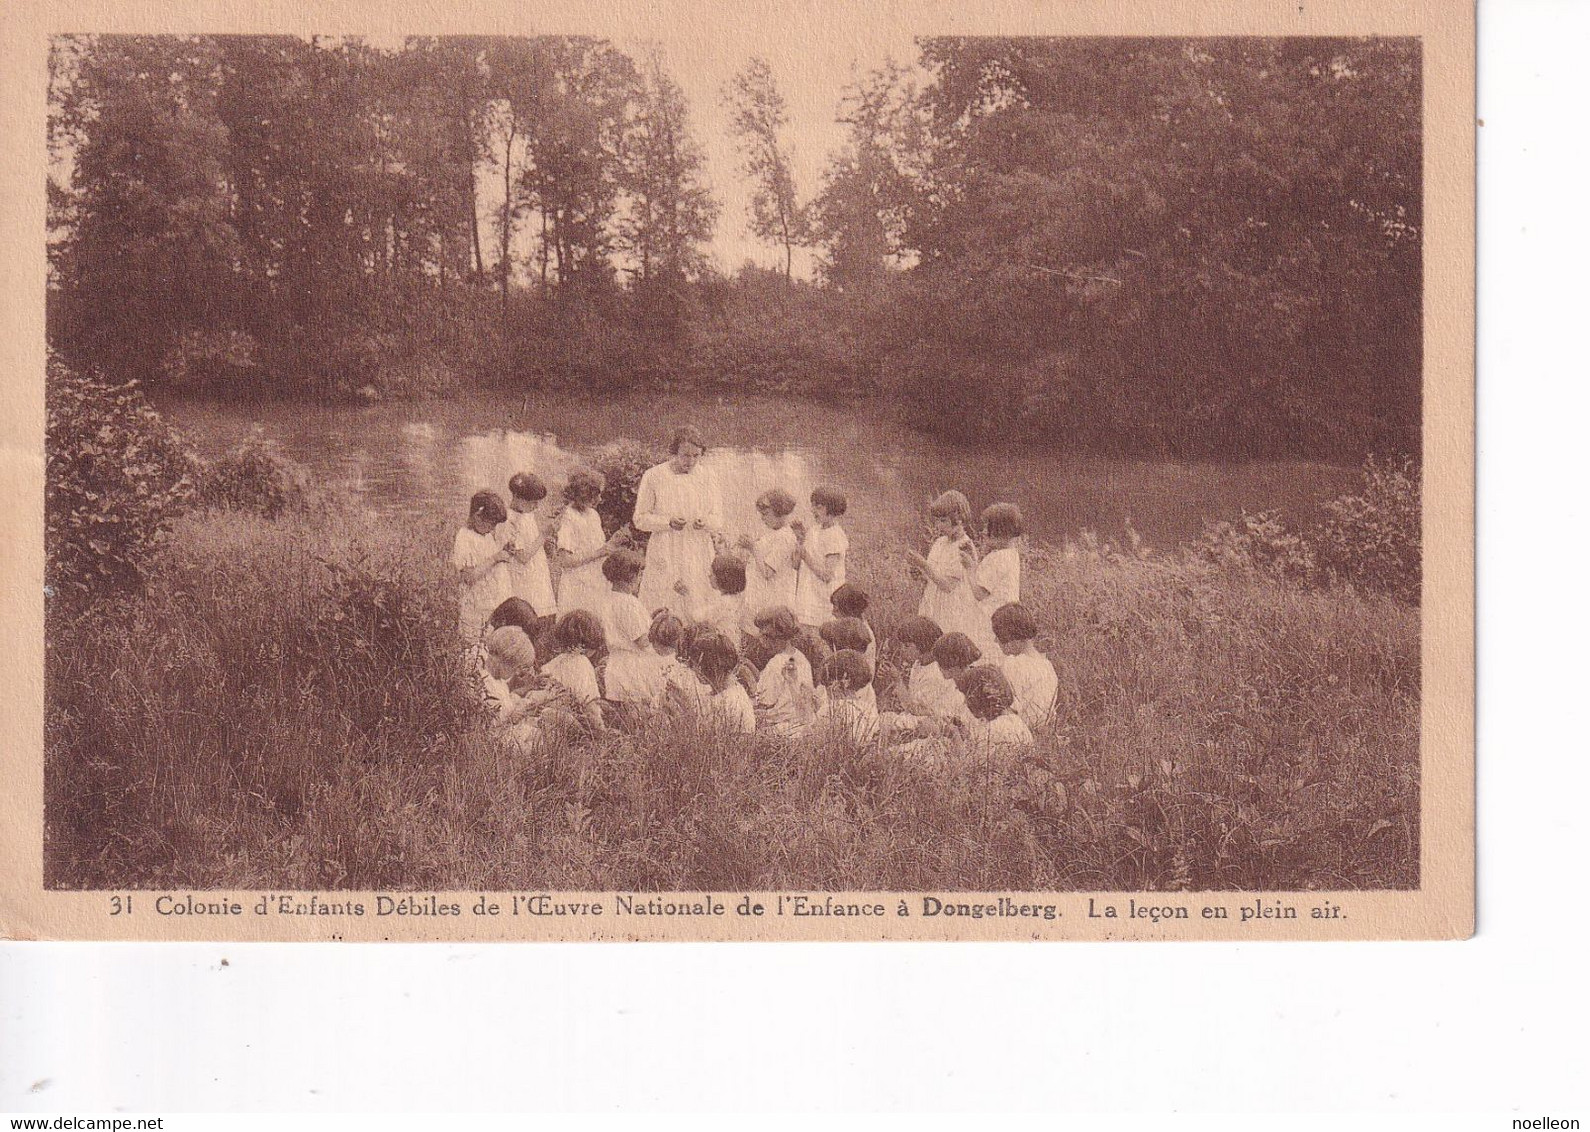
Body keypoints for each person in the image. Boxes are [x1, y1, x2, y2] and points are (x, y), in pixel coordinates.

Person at [634, 425, 723, 618]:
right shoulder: (654, 476)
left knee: (697, 598)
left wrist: (705, 522)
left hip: (697, 548)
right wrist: (667, 523)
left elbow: (718, 519)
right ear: (674, 452)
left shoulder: (708, 476)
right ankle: (660, 639)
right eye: (685, 455)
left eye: (696, 455)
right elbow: (640, 519)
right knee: (664, 597)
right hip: (666, 547)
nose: (690, 461)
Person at [906, 490, 984, 643]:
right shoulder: (939, 543)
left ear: (959, 520)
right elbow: (934, 578)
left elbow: (948, 585)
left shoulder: (964, 547)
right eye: (937, 521)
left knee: (944, 648)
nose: (939, 526)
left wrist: (923, 564)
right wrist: (921, 575)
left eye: (943, 521)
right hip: (933, 605)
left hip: (951, 611)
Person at [599, 550, 661, 714]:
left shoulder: (609, 599)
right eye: (639, 574)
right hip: (633, 668)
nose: (640, 579)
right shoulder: (629, 603)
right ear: (630, 577)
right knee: (639, 717)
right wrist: (658, 626)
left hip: (617, 665)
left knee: (625, 715)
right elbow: (642, 640)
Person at [556, 469, 618, 617]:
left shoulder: (593, 515)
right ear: (584, 494)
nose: (599, 499)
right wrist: (599, 553)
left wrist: (611, 545)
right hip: (577, 583)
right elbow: (565, 560)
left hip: (596, 579)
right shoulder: (568, 517)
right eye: (596, 494)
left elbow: (597, 547)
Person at [452, 490, 512, 643]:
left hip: (492, 603)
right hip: (477, 606)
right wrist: (495, 558)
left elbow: (487, 559)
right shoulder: (464, 538)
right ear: (477, 516)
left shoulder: (484, 535)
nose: (492, 529)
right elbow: (468, 577)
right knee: (475, 645)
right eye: (491, 524)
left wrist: (503, 552)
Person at [967, 502, 1024, 655]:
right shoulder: (1011, 554)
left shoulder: (997, 558)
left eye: (987, 527)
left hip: (990, 622)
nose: (984, 532)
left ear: (1001, 530)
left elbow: (980, 593)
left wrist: (970, 569)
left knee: (987, 655)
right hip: (1005, 620)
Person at [991, 602, 1059, 731]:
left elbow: (1005, 706)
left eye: (998, 636)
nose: (996, 641)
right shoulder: (1047, 665)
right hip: (1042, 730)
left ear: (1010, 637)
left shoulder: (1013, 664)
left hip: (1020, 730)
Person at [739, 487, 801, 623]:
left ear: (780, 512)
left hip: (774, 601)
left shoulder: (785, 538)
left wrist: (753, 547)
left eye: (766, 514)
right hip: (763, 598)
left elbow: (768, 572)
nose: (762, 518)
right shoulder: (773, 534)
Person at [540, 610, 606, 732]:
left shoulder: (552, 663)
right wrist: (601, 732)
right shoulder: (582, 663)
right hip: (566, 725)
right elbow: (590, 706)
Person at [753, 605, 815, 736]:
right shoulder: (800, 658)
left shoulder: (775, 664)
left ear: (773, 636)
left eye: (763, 634)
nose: (760, 639)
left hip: (779, 728)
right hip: (800, 725)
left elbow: (765, 704)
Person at [792, 486, 849, 628]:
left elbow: (827, 576)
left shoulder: (835, 536)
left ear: (832, 509)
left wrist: (805, 556)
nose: (812, 510)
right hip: (807, 596)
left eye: (818, 507)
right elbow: (812, 552)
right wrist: (801, 537)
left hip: (823, 601)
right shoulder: (814, 529)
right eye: (813, 506)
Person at [504, 472, 558, 621]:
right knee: (526, 616)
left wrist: (546, 542)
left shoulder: (527, 515)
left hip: (536, 575)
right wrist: (543, 535)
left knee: (542, 616)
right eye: (532, 502)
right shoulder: (508, 521)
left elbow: (532, 542)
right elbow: (522, 556)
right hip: (522, 578)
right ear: (518, 497)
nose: (536, 507)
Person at [686, 630, 756, 734]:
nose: (693, 668)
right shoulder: (729, 690)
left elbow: (701, 737)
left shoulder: (728, 700)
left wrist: (684, 708)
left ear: (707, 667)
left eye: (695, 664)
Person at [955, 664, 1035, 751]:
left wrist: (955, 737)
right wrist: (964, 733)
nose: (966, 702)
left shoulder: (994, 729)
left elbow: (972, 762)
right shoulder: (1015, 721)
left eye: (967, 696)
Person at [677, 554, 749, 646]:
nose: (709, 575)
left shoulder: (723, 603)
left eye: (713, 573)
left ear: (723, 577)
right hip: (734, 644)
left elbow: (694, 618)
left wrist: (685, 595)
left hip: (722, 649)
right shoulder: (737, 598)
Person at [811, 650, 879, 745]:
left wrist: (817, 711)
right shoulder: (869, 709)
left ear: (844, 680)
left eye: (828, 684)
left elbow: (813, 738)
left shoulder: (831, 710)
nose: (827, 691)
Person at [828, 583, 876, 667]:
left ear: (847, 610)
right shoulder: (851, 627)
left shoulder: (860, 634)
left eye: (836, 609)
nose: (833, 613)